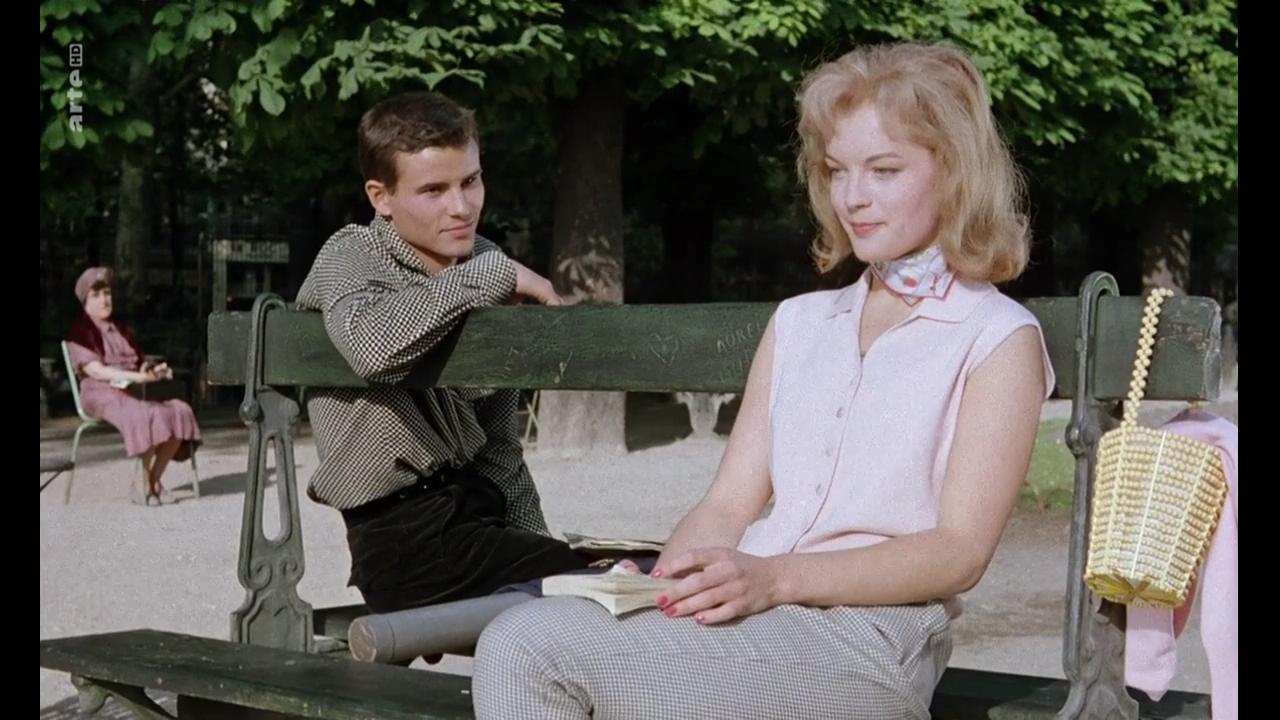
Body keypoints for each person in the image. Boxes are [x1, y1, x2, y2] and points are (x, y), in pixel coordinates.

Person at [472, 42, 1057, 719]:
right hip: (755, 615)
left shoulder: (996, 336)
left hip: (873, 642)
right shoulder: (802, 322)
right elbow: (727, 505)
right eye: (837, 171)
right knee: (535, 632)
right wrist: (666, 584)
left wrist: (775, 578)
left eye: (884, 170)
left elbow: (959, 554)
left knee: (529, 649)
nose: (853, 197)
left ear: (954, 172)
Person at [294, 90, 590, 616]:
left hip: (477, 518)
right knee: (606, 590)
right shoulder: (352, 254)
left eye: (470, 181)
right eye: (433, 190)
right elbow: (371, 347)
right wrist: (493, 275)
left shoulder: (480, 263)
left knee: (625, 578)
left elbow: (500, 449)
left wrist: (537, 542)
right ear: (381, 197)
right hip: (403, 540)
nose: (461, 207)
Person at [65, 267, 202, 505]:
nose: (104, 300)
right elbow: (96, 371)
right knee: (145, 414)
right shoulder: (81, 331)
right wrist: (138, 378)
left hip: (133, 389)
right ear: (85, 301)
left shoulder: (121, 331)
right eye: (96, 295)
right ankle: (142, 485)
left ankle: (153, 481)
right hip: (100, 391)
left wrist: (153, 371)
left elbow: (139, 365)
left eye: (107, 293)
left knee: (180, 410)